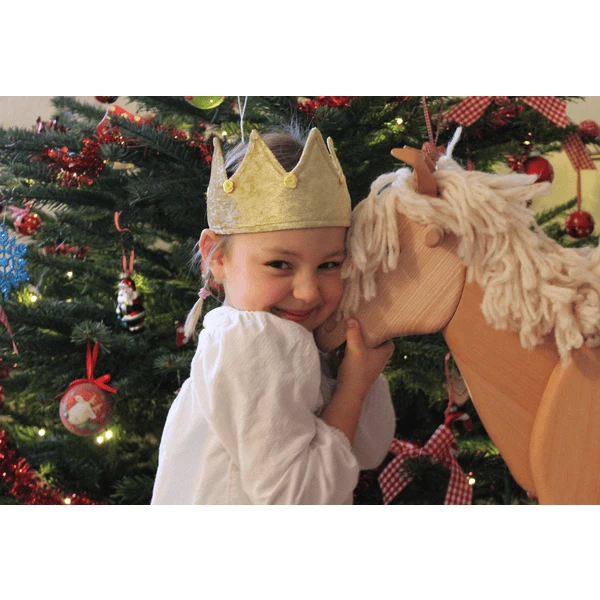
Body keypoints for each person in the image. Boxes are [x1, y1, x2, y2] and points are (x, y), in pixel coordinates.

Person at [151, 126, 395, 504]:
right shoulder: (252, 340)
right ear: (217, 256)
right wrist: (353, 387)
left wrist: (354, 374)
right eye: (280, 264)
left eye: (329, 264)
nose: (309, 292)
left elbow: (366, 450)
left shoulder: (299, 340)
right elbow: (297, 499)